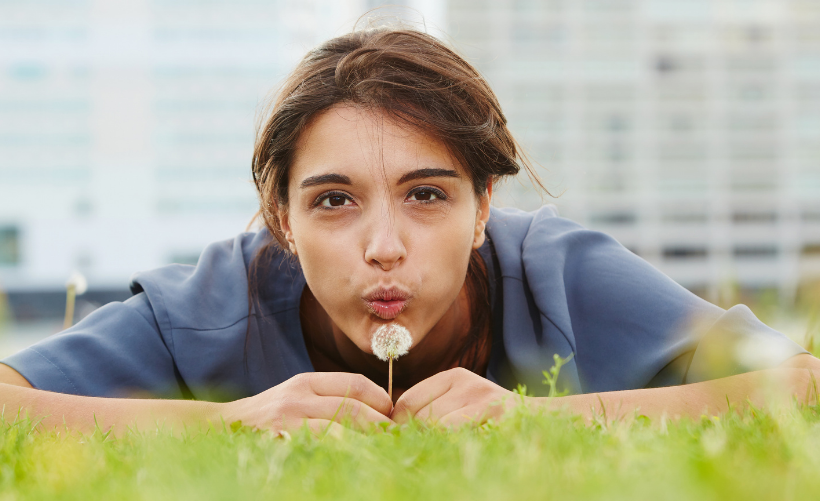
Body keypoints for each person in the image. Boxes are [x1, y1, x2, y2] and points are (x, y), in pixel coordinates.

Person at [1, 27, 818, 436]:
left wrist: (537, 422)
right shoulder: (212, 304)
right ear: (281, 218)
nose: (383, 246)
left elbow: (802, 386)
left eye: (426, 195)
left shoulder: (559, 272)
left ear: (484, 208)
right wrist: (227, 423)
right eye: (333, 201)